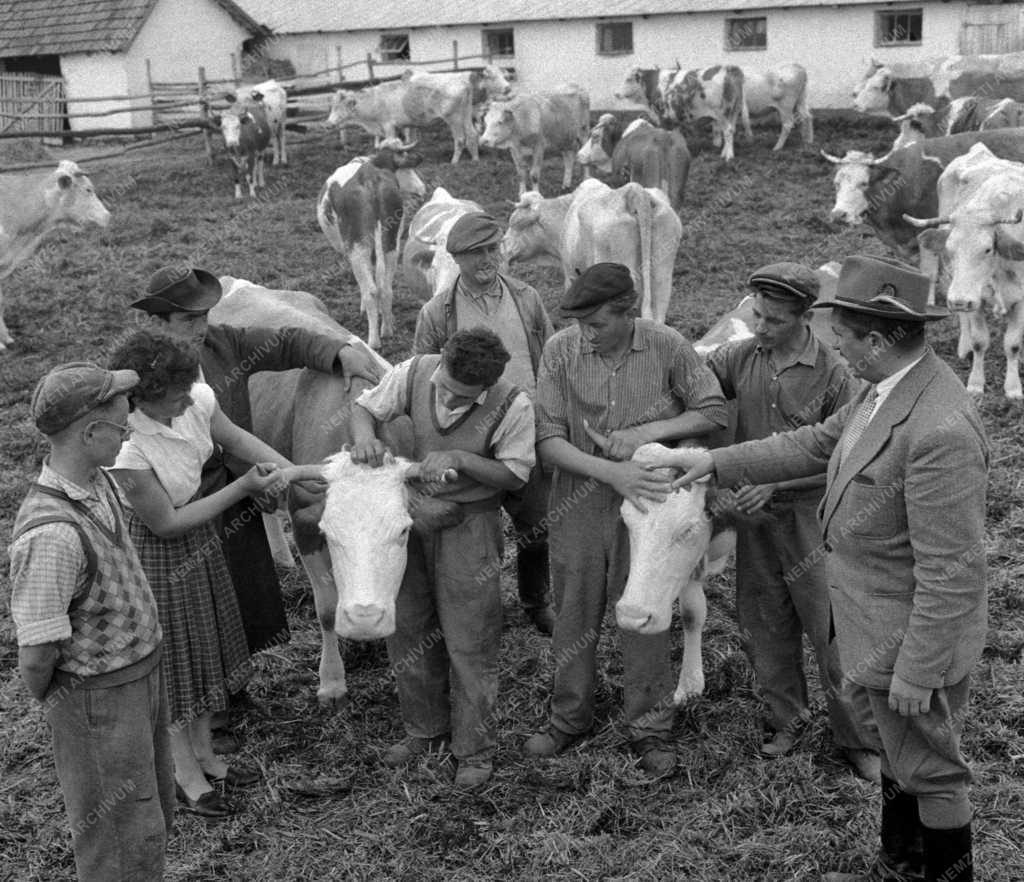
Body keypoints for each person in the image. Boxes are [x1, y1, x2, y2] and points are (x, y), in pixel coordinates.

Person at [665, 255, 987, 881]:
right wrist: (716, 463)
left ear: (875, 340)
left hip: (908, 638)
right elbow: (814, 442)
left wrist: (919, 671)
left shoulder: (938, 429)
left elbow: (953, 571)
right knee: (900, 758)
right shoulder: (885, 388)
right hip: (871, 619)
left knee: (934, 772)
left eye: (841, 332)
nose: (832, 340)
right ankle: (899, 865)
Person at [130, 265, 381, 745]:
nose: (201, 327)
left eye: (204, 314)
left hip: (233, 491)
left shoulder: (223, 345)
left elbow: (288, 341)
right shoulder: (137, 377)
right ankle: (201, 721)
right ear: (158, 324)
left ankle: (232, 690)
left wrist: (342, 349)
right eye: (187, 320)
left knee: (237, 593)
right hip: (176, 503)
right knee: (189, 608)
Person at [523, 262, 729, 778]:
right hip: (580, 501)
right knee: (574, 609)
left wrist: (647, 434)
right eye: (580, 324)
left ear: (629, 312)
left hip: (650, 504)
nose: (586, 335)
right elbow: (547, 440)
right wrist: (612, 473)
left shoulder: (667, 345)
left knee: (646, 603)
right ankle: (570, 715)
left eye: (597, 325)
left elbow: (713, 410)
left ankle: (650, 726)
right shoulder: (560, 350)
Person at [107, 330, 295, 818]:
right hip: (158, 551)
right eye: (175, 396)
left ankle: (207, 755)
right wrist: (245, 490)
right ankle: (182, 774)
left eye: (189, 389)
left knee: (203, 645)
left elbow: (233, 438)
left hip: (199, 534)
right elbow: (165, 523)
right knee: (174, 662)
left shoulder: (195, 397)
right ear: (142, 399)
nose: (187, 400)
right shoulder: (126, 448)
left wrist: (290, 470)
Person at [706, 261, 880, 782]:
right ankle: (789, 721)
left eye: (775, 320)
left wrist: (775, 485)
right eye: (757, 315)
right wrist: (723, 487)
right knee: (764, 623)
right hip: (754, 520)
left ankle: (859, 739)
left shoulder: (835, 373)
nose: (761, 327)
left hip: (815, 519)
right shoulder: (739, 356)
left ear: (806, 318)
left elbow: (846, 453)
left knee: (831, 630)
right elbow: (699, 397)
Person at [350, 327, 536, 790]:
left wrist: (462, 458)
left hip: (468, 524)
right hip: (408, 514)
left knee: (470, 637)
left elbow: (514, 476)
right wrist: (364, 437)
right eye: (447, 389)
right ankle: (424, 732)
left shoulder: (514, 404)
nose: (451, 401)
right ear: (442, 365)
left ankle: (473, 748)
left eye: (465, 398)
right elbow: (363, 409)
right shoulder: (414, 372)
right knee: (409, 625)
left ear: (488, 389)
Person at [9, 362, 174, 880]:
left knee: (149, 816)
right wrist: (76, 709)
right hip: (98, 699)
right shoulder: (51, 536)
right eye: (122, 428)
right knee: (118, 840)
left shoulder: (98, 483)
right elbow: (36, 657)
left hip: (139, 680)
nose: (128, 436)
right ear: (90, 434)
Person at [413, 212, 557, 635]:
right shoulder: (437, 312)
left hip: (524, 424)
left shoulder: (526, 297)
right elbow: (421, 373)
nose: (487, 259)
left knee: (538, 520)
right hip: (466, 431)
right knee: (462, 523)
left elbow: (550, 357)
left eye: (492, 249)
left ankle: (536, 600)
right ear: (455, 258)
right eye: (476, 253)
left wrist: (549, 412)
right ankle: (465, 604)